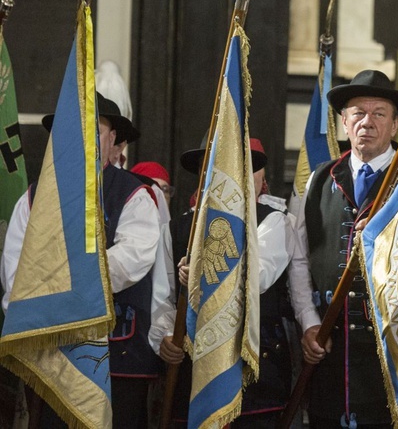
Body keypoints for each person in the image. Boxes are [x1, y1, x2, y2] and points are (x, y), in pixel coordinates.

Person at [1, 93, 166, 428]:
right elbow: (16, 274)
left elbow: (131, 259)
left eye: (94, 127)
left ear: (113, 140)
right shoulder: (33, 198)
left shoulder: (134, 196)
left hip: (116, 358)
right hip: (52, 358)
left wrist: (64, 281)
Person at [288, 69, 398, 428]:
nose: (367, 123)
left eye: (379, 113)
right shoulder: (319, 179)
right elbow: (298, 259)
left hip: (393, 350)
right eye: (357, 113)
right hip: (328, 349)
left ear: (395, 123)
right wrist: (309, 323)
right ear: (343, 122)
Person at [173, 138, 296, 428]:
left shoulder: (273, 222)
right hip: (193, 368)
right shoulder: (178, 227)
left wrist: (201, 274)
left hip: (254, 369)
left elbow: (260, 277)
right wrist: (165, 335)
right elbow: (163, 296)